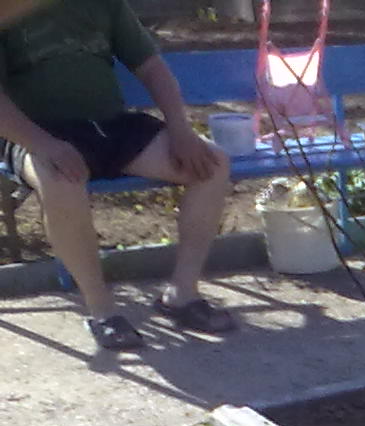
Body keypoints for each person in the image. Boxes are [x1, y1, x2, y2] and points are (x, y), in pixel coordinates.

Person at [0, 0, 235, 349]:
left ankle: (182, 294)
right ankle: (103, 312)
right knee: (60, 181)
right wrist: (44, 144)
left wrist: (181, 129)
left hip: (112, 126)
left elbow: (152, 67)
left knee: (211, 165)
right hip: (37, 134)